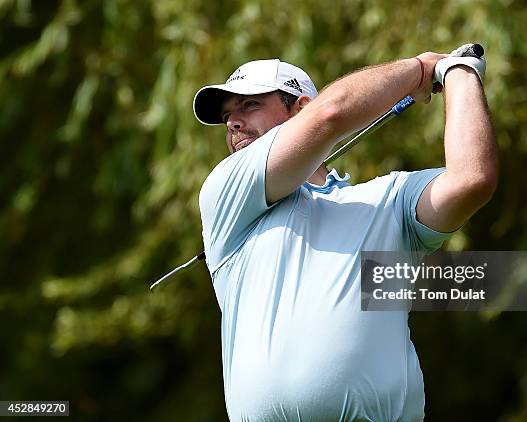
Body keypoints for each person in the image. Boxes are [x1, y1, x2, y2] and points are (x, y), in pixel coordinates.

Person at [193, 46, 497, 421]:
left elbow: (471, 180)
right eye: (227, 116)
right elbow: (331, 115)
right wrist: (419, 70)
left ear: (301, 108)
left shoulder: (385, 201)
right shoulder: (228, 194)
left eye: (249, 106)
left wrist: (459, 73)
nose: (233, 123)